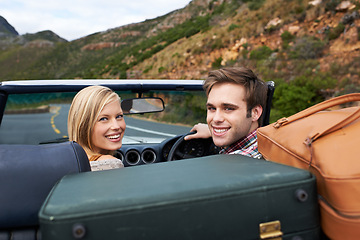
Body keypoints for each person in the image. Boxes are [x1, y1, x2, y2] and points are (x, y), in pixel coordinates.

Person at [184, 67, 267, 159]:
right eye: (212, 108)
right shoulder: (268, 142)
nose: (216, 119)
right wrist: (215, 131)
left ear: (255, 112)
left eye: (228, 109)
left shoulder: (238, 164)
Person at [68, 85, 125, 171]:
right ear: (84, 125)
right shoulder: (110, 164)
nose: (116, 126)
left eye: (119, 116)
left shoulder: (67, 161)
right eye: (104, 119)